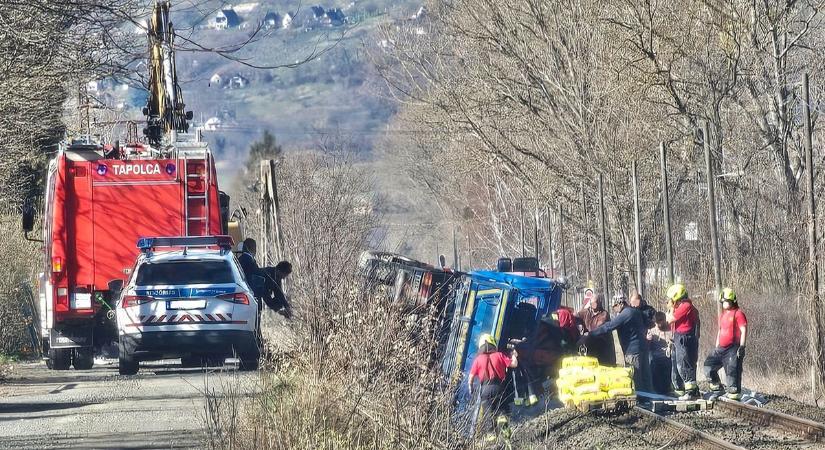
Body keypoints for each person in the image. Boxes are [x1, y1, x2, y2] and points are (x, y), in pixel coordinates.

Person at [586, 293, 652, 392]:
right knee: (646, 377)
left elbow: (609, 326)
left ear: (620, 304)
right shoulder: (636, 312)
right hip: (643, 348)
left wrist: (591, 334)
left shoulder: (626, 313)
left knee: (636, 378)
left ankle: (642, 402)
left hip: (632, 351)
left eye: (614, 306)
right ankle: (652, 399)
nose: (614, 309)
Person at [468, 334, 518, 441]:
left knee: (488, 416)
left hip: (485, 391)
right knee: (502, 411)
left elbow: (471, 378)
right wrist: (513, 355)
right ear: (493, 344)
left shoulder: (478, 359)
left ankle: (491, 438)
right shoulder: (499, 355)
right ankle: (505, 432)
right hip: (499, 388)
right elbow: (514, 364)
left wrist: (471, 389)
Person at [703, 288, 748, 400]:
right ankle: (717, 387)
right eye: (722, 301)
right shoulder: (723, 315)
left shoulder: (738, 314)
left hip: (733, 348)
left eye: (726, 301)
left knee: (732, 371)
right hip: (721, 348)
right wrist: (717, 344)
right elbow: (720, 330)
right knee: (708, 366)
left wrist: (742, 346)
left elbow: (743, 329)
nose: (724, 303)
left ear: (732, 301)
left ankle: (734, 394)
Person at [665, 284, 700, 400]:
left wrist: (671, 309)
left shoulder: (686, 306)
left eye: (671, 300)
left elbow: (670, 319)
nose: (669, 302)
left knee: (684, 364)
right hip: (678, 337)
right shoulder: (681, 306)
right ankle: (681, 389)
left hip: (684, 338)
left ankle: (691, 391)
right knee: (677, 364)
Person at [575, 293, 616, 365]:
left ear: (599, 303)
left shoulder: (604, 314)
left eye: (595, 302)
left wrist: (587, 335)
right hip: (589, 344)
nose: (593, 304)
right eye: (592, 302)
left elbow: (599, 328)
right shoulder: (586, 312)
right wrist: (580, 325)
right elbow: (576, 316)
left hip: (602, 346)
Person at [647, 312, 673, 395]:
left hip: (667, 357)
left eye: (660, 321)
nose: (659, 324)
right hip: (655, 357)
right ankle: (656, 389)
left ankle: (667, 389)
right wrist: (648, 340)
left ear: (664, 320)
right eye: (657, 322)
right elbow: (647, 346)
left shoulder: (671, 331)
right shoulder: (652, 331)